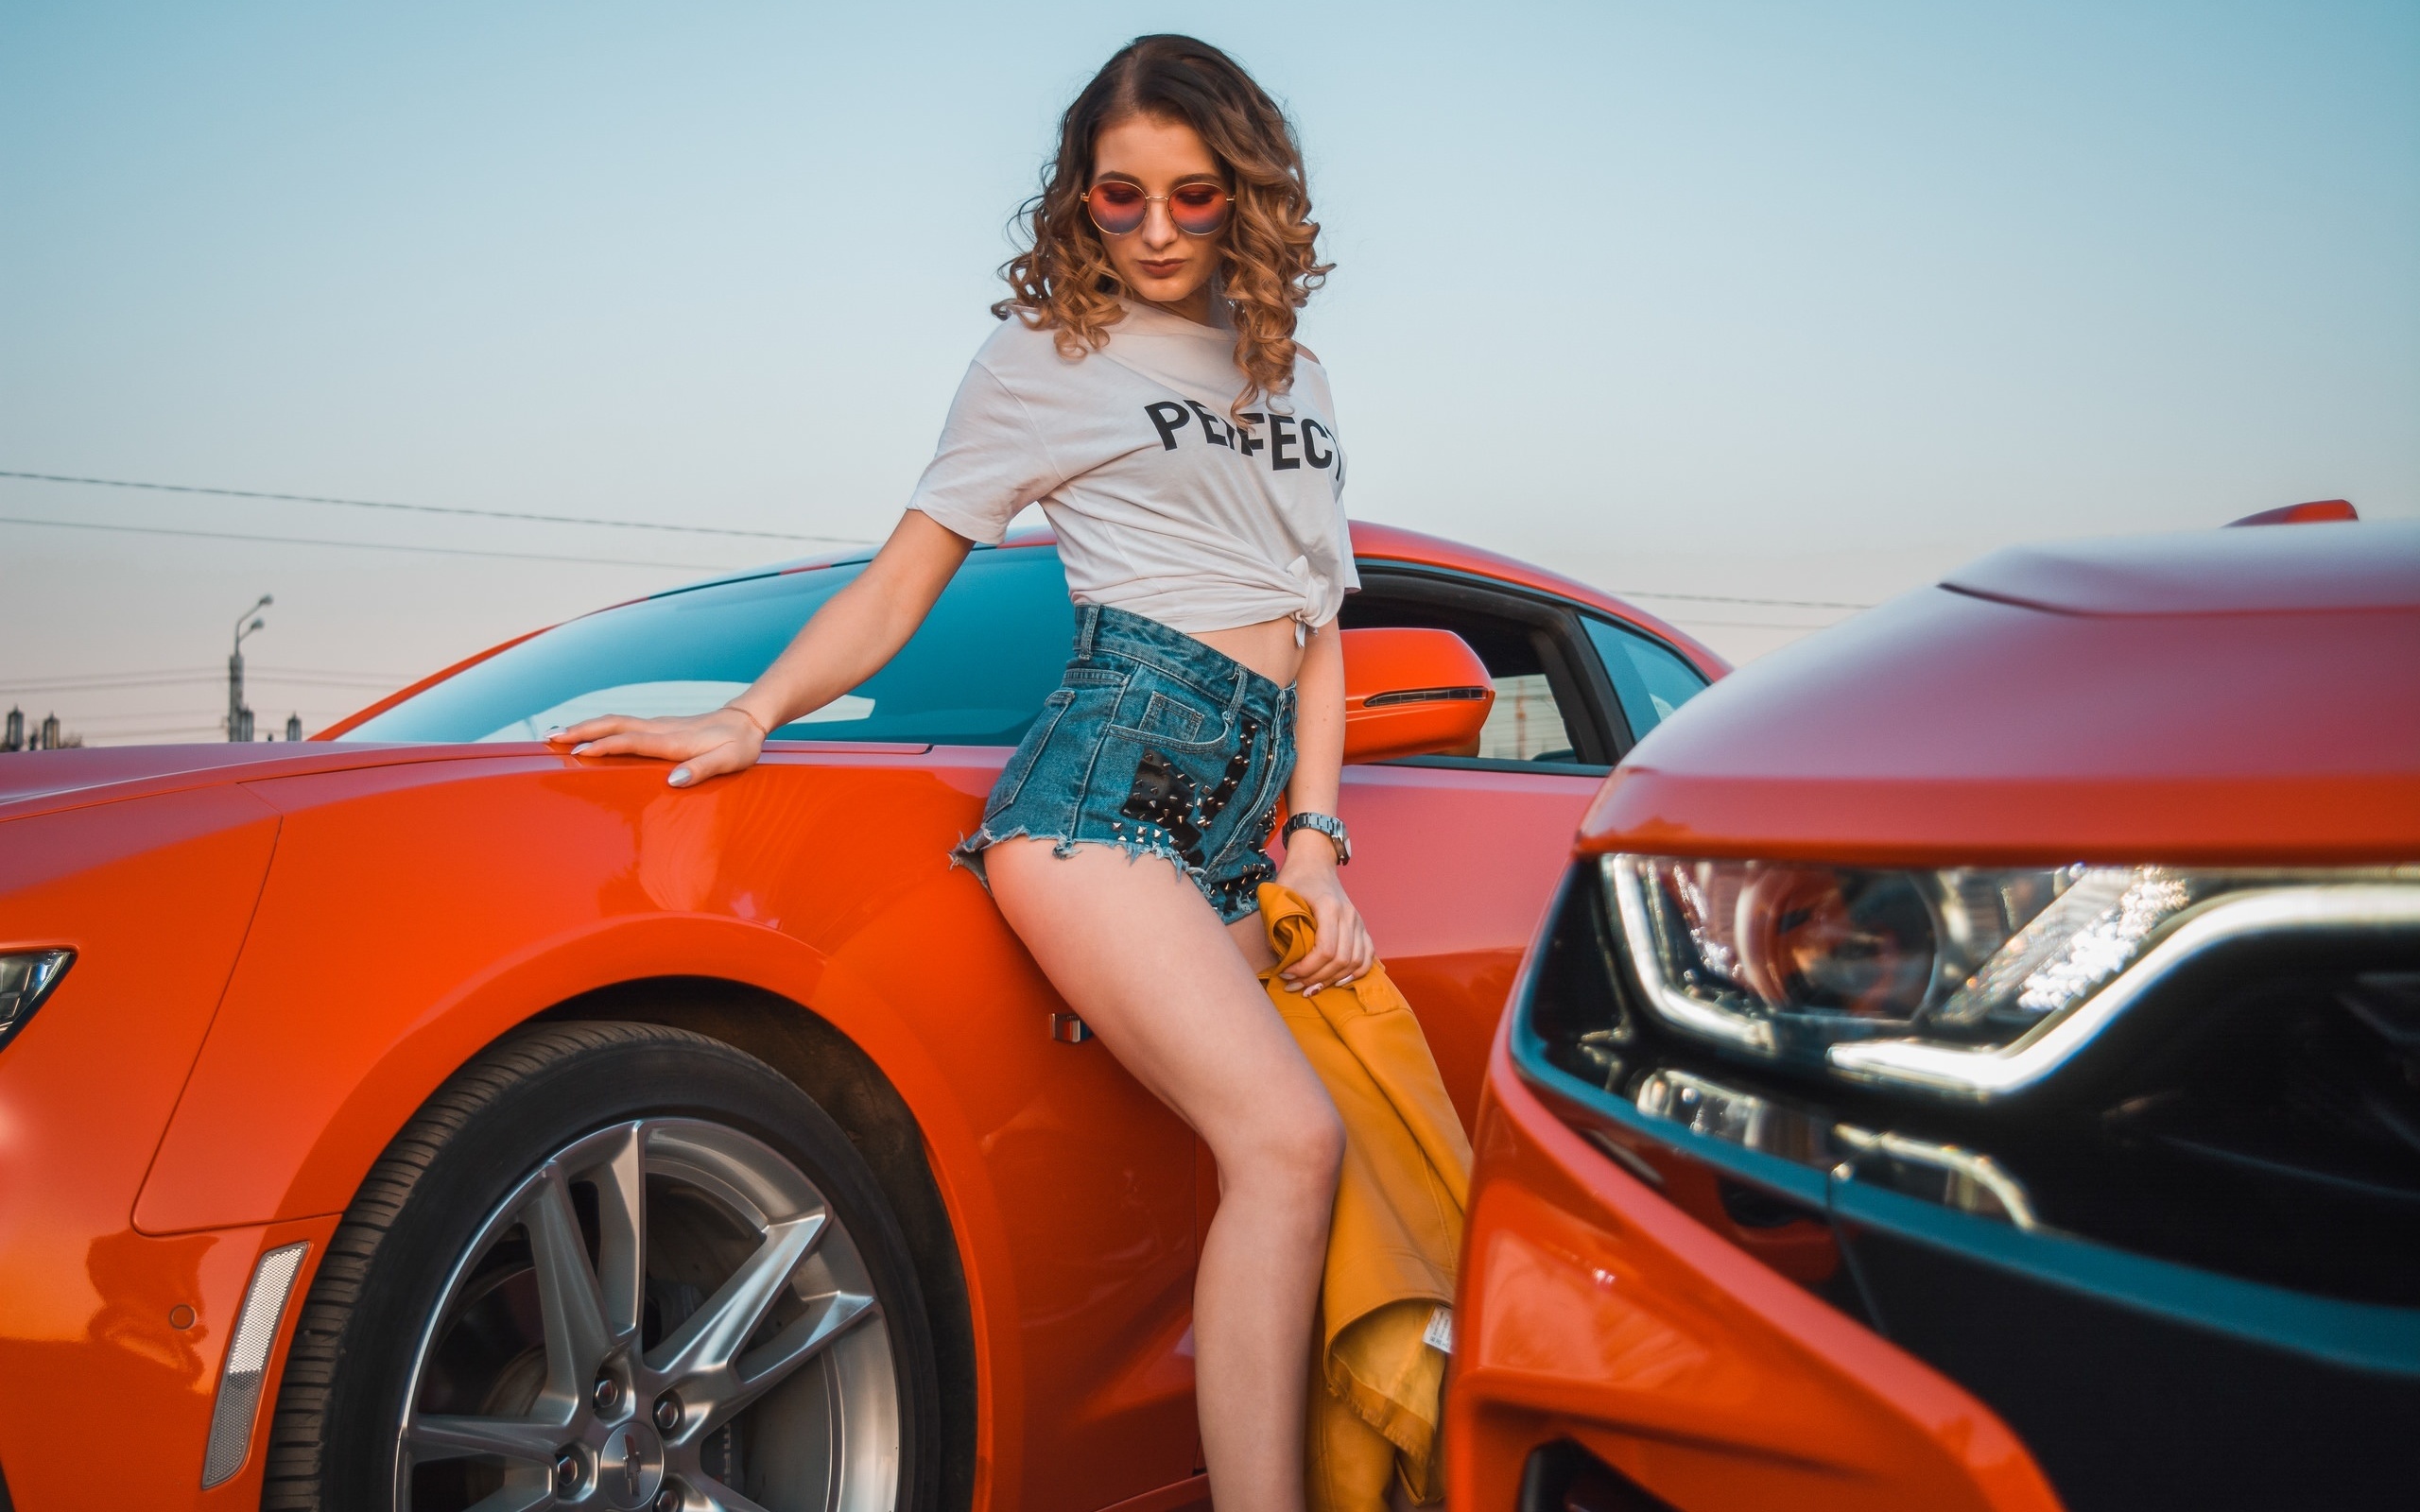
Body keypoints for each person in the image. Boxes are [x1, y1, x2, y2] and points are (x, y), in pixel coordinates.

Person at [551, 34, 1366, 1509]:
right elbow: (907, 576)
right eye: (1123, 199)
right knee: (1292, 1140)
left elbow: (1318, 635)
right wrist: (754, 714)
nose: (1162, 231)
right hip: (1102, 800)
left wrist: (1315, 841)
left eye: (1195, 195)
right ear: (1079, 199)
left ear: (1248, 193)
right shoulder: (1046, 360)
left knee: (1242, 1171)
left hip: (1247, 826)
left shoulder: (1294, 372)